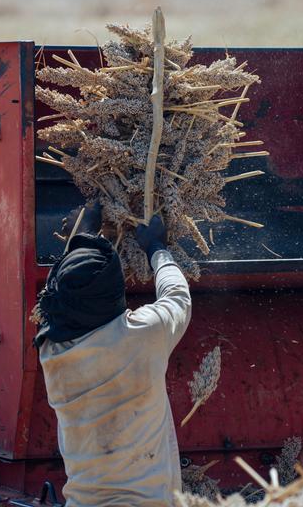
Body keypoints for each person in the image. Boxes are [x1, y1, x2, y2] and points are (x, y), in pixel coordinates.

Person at [33, 201, 191, 506]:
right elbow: (178, 297)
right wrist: (156, 246)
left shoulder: (52, 354)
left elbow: (66, 293)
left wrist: (82, 234)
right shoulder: (143, 335)